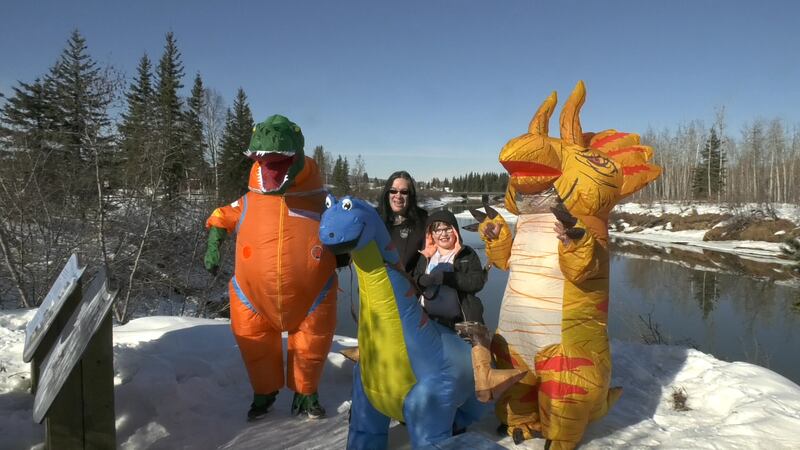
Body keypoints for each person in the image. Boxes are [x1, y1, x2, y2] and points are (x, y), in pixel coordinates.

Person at [204, 115, 338, 421]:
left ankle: (307, 394)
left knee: (313, 340)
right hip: (252, 295)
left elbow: (350, 223)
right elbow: (223, 216)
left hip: (313, 295)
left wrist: (347, 249)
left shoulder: (322, 200)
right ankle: (264, 393)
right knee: (254, 343)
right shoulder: (248, 200)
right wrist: (214, 242)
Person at [412, 209, 486, 329]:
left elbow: (478, 282)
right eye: (437, 230)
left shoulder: (466, 253)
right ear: (431, 234)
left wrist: (448, 278)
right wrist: (420, 280)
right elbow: (412, 282)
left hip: (461, 324)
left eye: (447, 229)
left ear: (455, 230)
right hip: (427, 322)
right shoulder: (425, 256)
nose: (443, 234)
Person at [377, 171, 428, 274]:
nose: (398, 196)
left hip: (408, 287)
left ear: (410, 195)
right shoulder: (373, 218)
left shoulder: (422, 221)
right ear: (387, 193)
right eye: (393, 191)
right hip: (375, 287)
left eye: (404, 192)